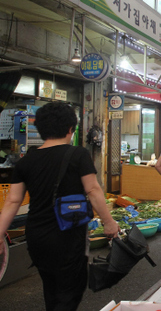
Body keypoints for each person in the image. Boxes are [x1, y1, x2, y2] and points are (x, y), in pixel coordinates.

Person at [0, 102, 119, 311]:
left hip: (37, 236)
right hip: (68, 235)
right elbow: (93, 190)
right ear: (70, 129)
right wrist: (109, 223)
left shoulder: (26, 161)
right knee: (70, 292)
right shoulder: (78, 155)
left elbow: (12, 201)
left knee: (51, 288)